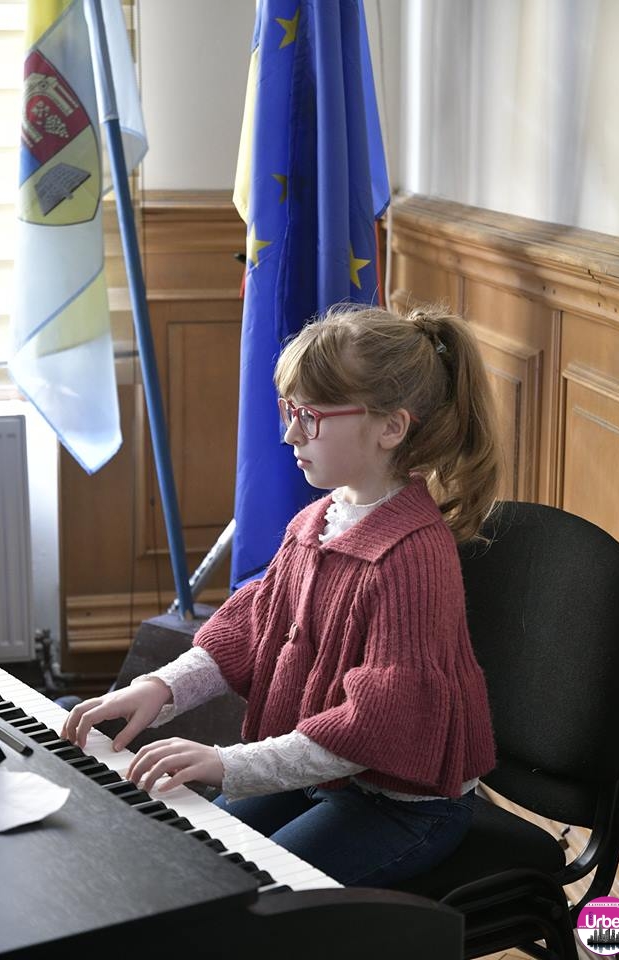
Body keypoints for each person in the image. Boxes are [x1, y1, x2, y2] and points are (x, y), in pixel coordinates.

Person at [62, 301, 503, 888]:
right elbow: (251, 629)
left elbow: (373, 727)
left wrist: (226, 763)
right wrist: (160, 687)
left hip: (403, 803)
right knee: (198, 860)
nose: (290, 432)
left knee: (249, 892)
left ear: (391, 428)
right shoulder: (317, 521)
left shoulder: (412, 558)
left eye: (311, 416)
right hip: (325, 770)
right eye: (289, 410)